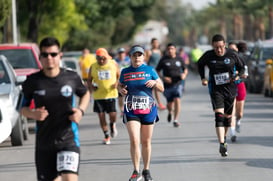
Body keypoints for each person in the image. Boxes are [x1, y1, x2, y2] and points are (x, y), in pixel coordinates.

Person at [20, 37, 90, 181]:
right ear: (40, 57)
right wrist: (33, 114)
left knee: (70, 178)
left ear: (60, 56)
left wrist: (80, 111)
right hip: (44, 144)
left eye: (53, 54)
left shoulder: (71, 77)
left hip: (68, 139)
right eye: (45, 55)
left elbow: (85, 94)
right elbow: (21, 108)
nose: (49, 58)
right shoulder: (33, 81)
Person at [118, 45, 164, 181]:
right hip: (131, 109)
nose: (137, 57)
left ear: (143, 57)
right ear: (130, 57)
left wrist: (155, 83)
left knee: (146, 141)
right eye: (134, 55)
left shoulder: (150, 70)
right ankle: (136, 170)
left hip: (148, 109)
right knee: (134, 140)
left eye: (139, 55)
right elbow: (119, 85)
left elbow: (162, 88)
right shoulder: (125, 71)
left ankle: (146, 170)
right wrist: (121, 90)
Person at [198, 34, 246, 157]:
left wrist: (237, 75)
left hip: (230, 90)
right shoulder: (209, 55)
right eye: (216, 47)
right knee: (219, 116)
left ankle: (223, 136)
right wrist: (203, 77)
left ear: (224, 44)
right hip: (216, 90)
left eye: (220, 47)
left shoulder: (232, 54)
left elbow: (242, 68)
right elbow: (199, 64)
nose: (218, 50)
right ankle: (222, 143)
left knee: (227, 119)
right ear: (212, 46)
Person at [87, 48, 120, 145]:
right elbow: (89, 80)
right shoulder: (93, 66)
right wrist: (91, 86)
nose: (101, 61)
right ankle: (106, 135)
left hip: (111, 94)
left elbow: (119, 76)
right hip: (98, 96)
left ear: (107, 57)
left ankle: (112, 125)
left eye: (103, 59)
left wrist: (117, 83)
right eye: (99, 59)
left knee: (112, 115)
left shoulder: (113, 64)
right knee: (101, 116)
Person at [156, 43, 188, 127]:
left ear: (175, 49)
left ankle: (176, 119)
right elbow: (157, 71)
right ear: (167, 50)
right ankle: (170, 111)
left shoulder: (179, 58)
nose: (170, 50)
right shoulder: (163, 59)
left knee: (177, 99)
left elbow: (185, 69)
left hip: (178, 83)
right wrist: (163, 78)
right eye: (168, 49)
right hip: (167, 85)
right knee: (169, 104)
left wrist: (184, 75)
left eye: (172, 49)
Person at [228, 41, 248, 142]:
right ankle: (232, 133)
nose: (232, 51)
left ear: (237, 50)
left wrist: (239, 74)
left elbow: (245, 73)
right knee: (231, 111)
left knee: (239, 113)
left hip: (240, 85)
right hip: (229, 87)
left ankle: (238, 121)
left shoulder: (241, 59)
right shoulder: (225, 60)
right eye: (230, 49)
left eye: (234, 49)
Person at [145, 38, 166, 110]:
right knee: (154, 87)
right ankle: (158, 103)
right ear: (151, 43)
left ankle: (157, 103)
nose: (156, 44)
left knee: (159, 87)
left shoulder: (159, 52)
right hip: (151, 71)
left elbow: (162, 61)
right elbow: (146, 62)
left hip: (158, 71)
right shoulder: (149, 52)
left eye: (157, 42)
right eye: (154, 43)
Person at [115, 47, 131, 116]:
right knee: (120, 96)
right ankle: (122, 110)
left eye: (122, 53)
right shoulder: (115, 61)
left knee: (129, 95)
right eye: (120, 53)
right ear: (118, 54)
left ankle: (129, 109)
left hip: (128, 80)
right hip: (119, 81)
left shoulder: (129, 60)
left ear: (125, 53)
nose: (121, 54)